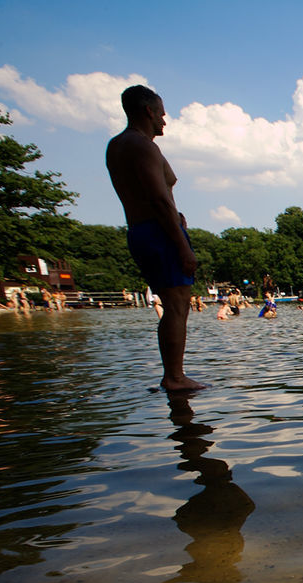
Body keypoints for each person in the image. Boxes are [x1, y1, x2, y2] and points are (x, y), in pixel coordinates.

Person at [107, 84, 206, 392]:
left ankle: (173, 375)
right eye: (161, 114)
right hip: (159, 231)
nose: (165, 120)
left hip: (140, 230)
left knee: (173, 303)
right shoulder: (141, 145)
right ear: (148, 111)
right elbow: (160, 200)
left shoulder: (116, 146)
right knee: (177, 304)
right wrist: (180, 243)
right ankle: (174, 377)